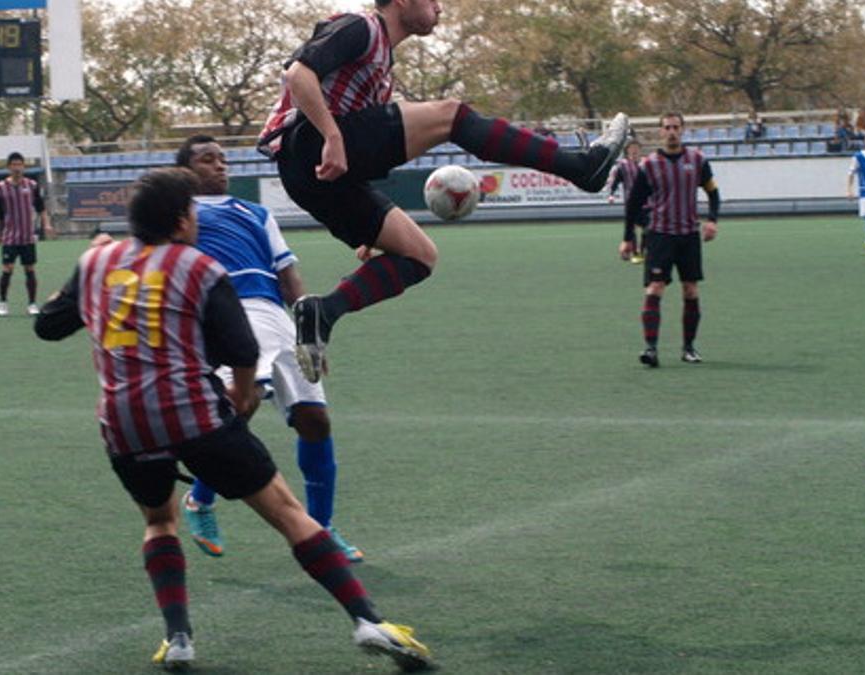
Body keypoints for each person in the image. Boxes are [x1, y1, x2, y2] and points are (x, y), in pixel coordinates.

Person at [33, 167, 432, 671]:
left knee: (159, 521)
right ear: (181, 221)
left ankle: (178, 638)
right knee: (289, 513)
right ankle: (368, 621)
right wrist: (242, 397)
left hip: (123, 423)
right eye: (194, 213)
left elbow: (48, 327)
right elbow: (241, 348)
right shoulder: (198, 267)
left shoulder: (95, 262)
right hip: (193, 415)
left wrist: (75, 278)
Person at [257, 0, 630, 382]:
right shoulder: (362, 27)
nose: (440, 7)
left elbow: (360, 151)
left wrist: (369, 228)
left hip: (312, 178)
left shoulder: (382, 72)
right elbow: (298, 73)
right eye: (433, 0)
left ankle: (322, 312)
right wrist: (332, 135)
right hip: (306, 144)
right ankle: (582, 167)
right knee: (453, 116)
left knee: (419, 256)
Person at [173, 135, 362, 563]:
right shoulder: (182, 215)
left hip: (276, 315)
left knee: (315, 421)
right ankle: (200, 500)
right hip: (229, 311)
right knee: (241, 402)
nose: (220, 166)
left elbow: (288, 275)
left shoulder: (256, 213)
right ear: (186, 170)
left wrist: (308, 331)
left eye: (223, 159)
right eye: (207, 160)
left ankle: (322, 528)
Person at [619, 112, 721, 367]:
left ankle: (688, 348)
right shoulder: (650, 164)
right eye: (667, 127)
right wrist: (628, 237)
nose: (672, 131)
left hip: (688, 235)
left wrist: (712, 220)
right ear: (661, 132)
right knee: (655, 288)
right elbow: (633, 204)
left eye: (676, 127)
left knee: (690, 289)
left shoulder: (697, 160)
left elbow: (713, 193)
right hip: (660, 236)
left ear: (683, 129)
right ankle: (650, 349)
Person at [0, 151, 53, 317]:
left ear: (24, 166)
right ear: (8, 167)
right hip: (10, 236)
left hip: (28, 236)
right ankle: (3, 302)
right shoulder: (0, 188)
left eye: (20, 164)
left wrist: (46, 224)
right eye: (14, 165)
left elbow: (41, 208)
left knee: (30, 269)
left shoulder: (32, 186)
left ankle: (32, 303)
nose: (17, 168)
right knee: (7, 268)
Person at [607, 139, 646, 264]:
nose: (634, 150)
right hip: (631, 202)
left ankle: (642, 250)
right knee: (632, 228)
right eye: (632, 148)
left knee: (648, 228)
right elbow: (615, 182)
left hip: (647, 202)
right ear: (627, 151)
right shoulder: (623, 166)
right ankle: (634, 252)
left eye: (637, 148)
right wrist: (611, 194)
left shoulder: (646, 164)